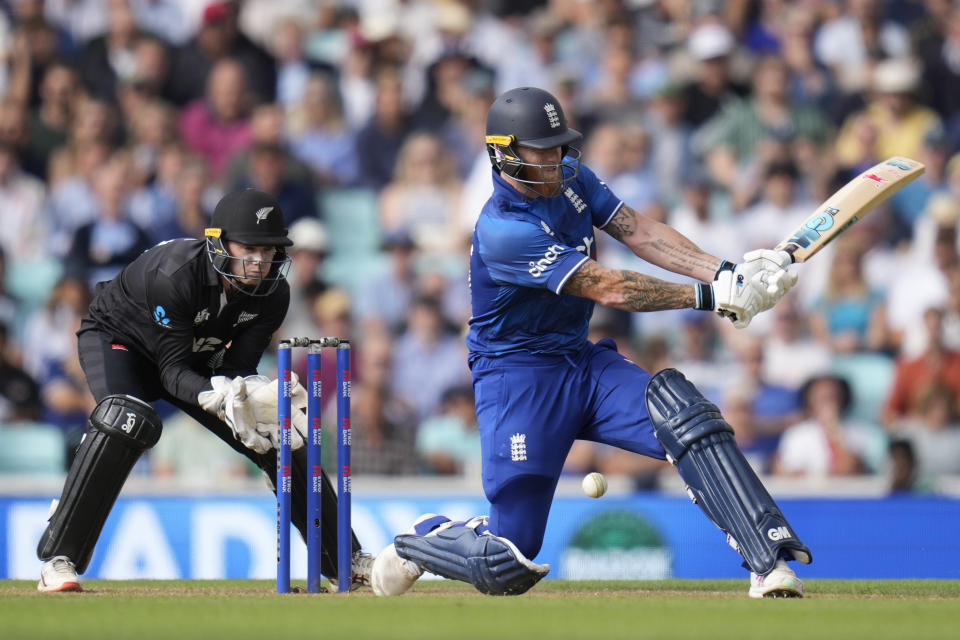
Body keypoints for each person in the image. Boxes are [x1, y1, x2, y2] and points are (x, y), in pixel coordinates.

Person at [369, 87, 810, 599]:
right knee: (505, 562)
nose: (555, 158)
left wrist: (730, 271)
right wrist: (710, 296)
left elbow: (639, 230)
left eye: (559, 146)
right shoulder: (502, 230)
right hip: (518, 380)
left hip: (580, 361)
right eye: (541, 149)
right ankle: (426, 538)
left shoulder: (573, 180)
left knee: (686, 415)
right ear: (503, 152)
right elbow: (609, 286)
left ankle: (768, 562)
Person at [35, 188, 372, 592]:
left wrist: (247, 399)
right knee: (126, 418)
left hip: (191, 353)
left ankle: (343, 561)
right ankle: (59, 557)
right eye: (249, 248)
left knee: (279, 433)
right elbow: (170, 371)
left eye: (268, 251)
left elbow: (237, 369)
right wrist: (221, 395)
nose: (259, 261)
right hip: (120, 339)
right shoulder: (174, 276)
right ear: (218, 243)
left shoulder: (273, 294)